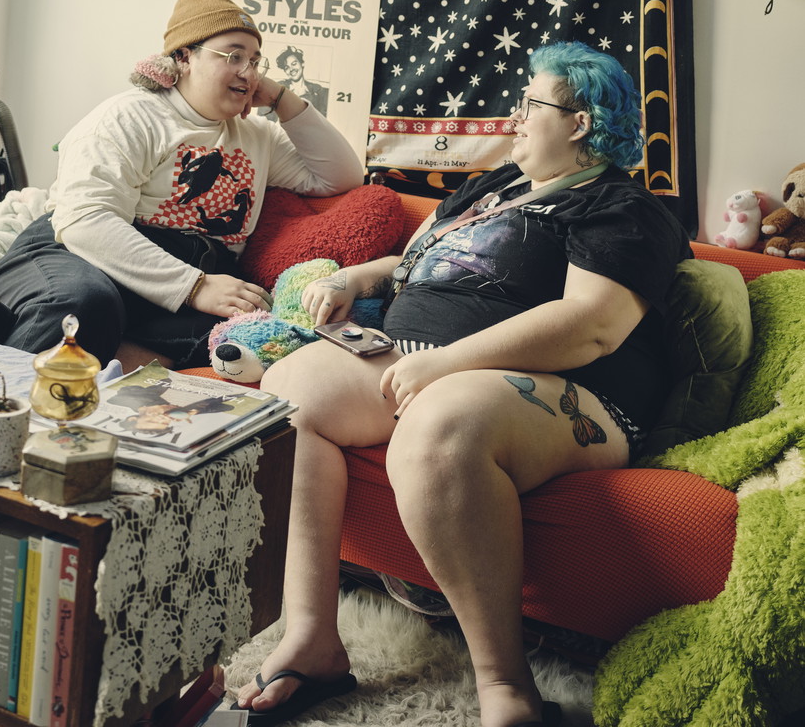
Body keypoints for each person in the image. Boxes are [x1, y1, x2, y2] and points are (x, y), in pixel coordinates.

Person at [234, 41, 690, 727]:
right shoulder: (497, 186)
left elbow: (592, 325)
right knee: (290, 390)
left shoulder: (620, 207)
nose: (514, 117)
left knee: (440, 423)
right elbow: (417, 258)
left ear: (580, 122)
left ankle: (506, 689)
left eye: (531, 104)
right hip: (418, 357)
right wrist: (353, 277)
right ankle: (313, 636)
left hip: (564, 389)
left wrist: (445, 364)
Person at [0, 0, 362, 368]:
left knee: (248, 343)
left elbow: (341, 176)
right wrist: (196, 286)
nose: (249, 72)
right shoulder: (128, 117)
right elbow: (84, 222)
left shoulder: (258, 136)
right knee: (88, 304)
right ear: (184, 57)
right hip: (77, 254)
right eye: (234, 56)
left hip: (166, 282)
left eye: (256, 61)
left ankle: (14, 332)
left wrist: (279, 98)